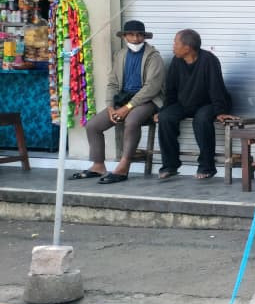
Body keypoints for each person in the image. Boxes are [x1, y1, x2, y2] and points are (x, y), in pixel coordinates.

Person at [72, 20, 165, 184]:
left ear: (144, 37)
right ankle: (98, 165)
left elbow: (152, 87)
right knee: (93, 125)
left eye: (139, 35)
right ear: (125, 37)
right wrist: (110, 107)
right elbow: (113, 83)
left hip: (147, 101)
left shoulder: (153, 56)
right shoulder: (120, 55)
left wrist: (127, 108)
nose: (135, 39)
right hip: (122, 99)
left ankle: (124, 165)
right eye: (131, 34)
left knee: (132, 120)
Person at [156, 29, 233, 180]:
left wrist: (220, 111)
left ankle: (207, 166)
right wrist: (164, 110)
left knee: (202, 119)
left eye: (176, 43)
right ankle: (170, 165)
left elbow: (216, 88)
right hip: (186, 103)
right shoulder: (177, 60)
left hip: (209, 103)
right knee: (165, 117)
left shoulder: (208, 60)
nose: (173, 46)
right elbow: (171, 90)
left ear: (187, 47)